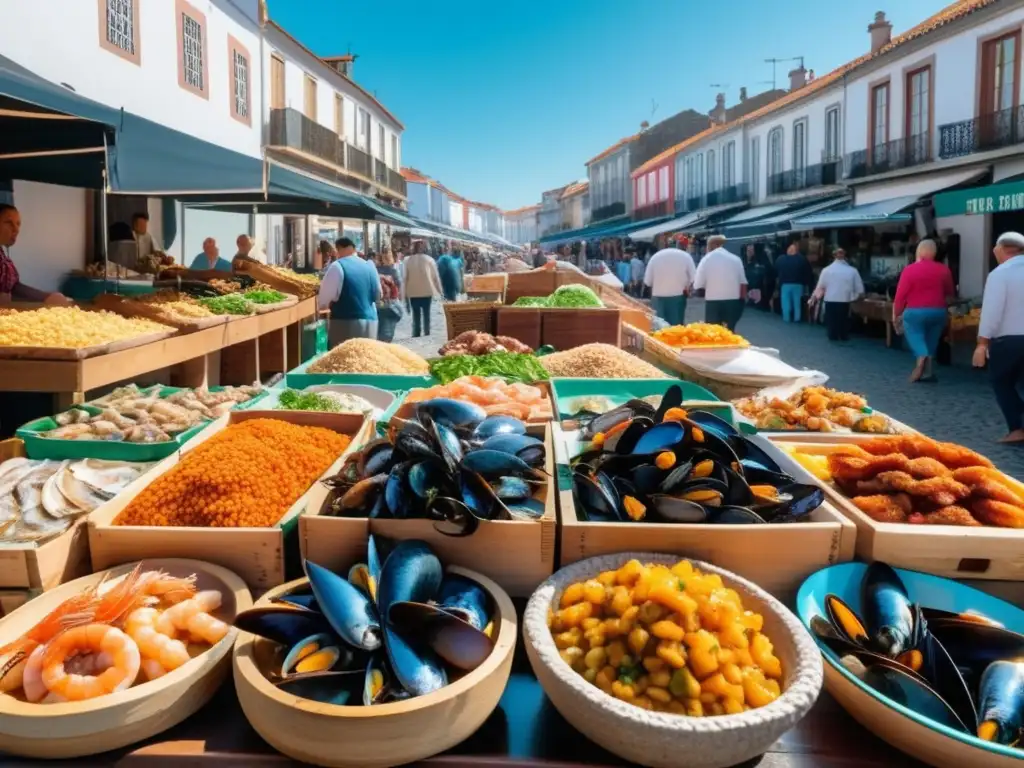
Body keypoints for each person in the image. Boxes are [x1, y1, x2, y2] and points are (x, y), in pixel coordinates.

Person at [974, 231, 1024, 444]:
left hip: (1009, 341)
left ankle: (1017, 429)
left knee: (1001, 381)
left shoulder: (1000, 274)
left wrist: (982, 343)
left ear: (1001, 250)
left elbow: (992, 311)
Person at [893, 239, 956, 383]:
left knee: (915, 335)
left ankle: (921, 355)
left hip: (915, 311)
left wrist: (896, 315)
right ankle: (928, 372)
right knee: (931, 340)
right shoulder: (944, 270)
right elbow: (950, 294)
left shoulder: (909, 270)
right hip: (938, 311)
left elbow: (900, 297)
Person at [0, 203, 70, 304]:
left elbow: (14, 287)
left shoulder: (3, 258)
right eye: (8, 223)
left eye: (18, 224)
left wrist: (46, 297)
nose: (16, 230)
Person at [318, 237, 380, 347]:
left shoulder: (337, 266)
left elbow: (323, 300)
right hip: (371, 321)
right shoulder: (369, 266)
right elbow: (378, 295)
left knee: (345, 361)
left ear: (339, 248)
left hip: (345, 322)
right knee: (366, 360)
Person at [694, 235, 747, 331]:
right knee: (729, 331)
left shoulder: (706, 259)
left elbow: (697, 284)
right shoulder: (736, 259)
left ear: (711, 245)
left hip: (713, 302)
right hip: (732, 301)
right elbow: (742, 282)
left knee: (713, 333)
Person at [810, 248, 864, 342]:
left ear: (834, 256)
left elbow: (820, 286)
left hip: (830, 298)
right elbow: (859, 287)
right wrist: (855, 297)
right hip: (845, 299)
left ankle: (832, 335)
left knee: (832, 319)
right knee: (843, 318)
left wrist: (814, 297)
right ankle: (843, 335)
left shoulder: (826, 270)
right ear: (845, 256)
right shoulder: (852, 270)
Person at [643, 234, 696, 326]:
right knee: (676, 328)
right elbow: (694, 279)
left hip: (658, 298)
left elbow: (647, 282)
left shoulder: (655, 257)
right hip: (678, 298)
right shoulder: (686, 257)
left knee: (659, 328)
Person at [402, 241, 442, 338]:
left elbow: (405, 278)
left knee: (416, 314)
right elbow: (435, 277)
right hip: (427, 291)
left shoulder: (407, 260)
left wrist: (404, 294)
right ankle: (427, 332)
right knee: (426, 313)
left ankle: (416, 332)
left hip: (413, 292)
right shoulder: (429, 260)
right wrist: (440, 291)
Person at [775, 243, 813, 322]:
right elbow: (808, 272)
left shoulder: (781, 259)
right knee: (797, 304)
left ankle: (786, 319)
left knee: (786, 304)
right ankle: (797, 319)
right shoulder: (802, 259)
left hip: (785, 284)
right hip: (798, 285)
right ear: (796, 251)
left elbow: (775, 270)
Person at [375, 249, 403, 343]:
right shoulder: (393, 270)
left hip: (377, 304)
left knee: (379, 332)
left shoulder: (374, 269)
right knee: (387, 334)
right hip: (391, 305)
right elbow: (399, 286)